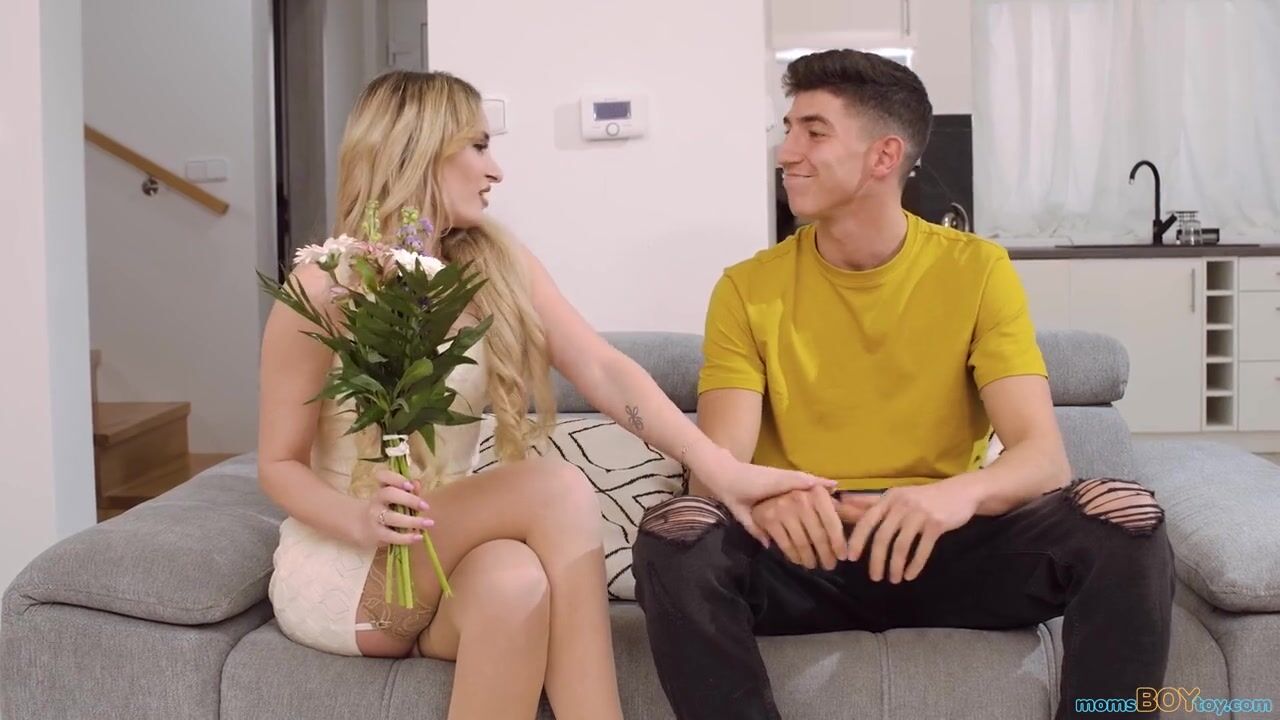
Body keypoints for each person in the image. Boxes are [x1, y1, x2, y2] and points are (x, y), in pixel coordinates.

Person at [257, 70, 827, 720]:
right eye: (477, 146)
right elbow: (277, 463)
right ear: (418, 147)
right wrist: (359, 520)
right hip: (349, 565)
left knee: (516, 582)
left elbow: (603, 370)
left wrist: (721, 469)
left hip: (445, 559)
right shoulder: (325, 286)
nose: (495, 169)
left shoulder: (493, 266)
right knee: (555, 488)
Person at [631, 49, 1175, 720]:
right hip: (804, 553)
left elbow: (1043, 459)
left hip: (948, 548)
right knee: (677, 533)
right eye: (788, 128)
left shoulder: (977, 270)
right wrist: (767, 498)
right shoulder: (747, 288)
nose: (786, 151)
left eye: (813, 132)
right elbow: (717, 469)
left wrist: (954, 496)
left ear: (883, 156)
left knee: (1126, 517)